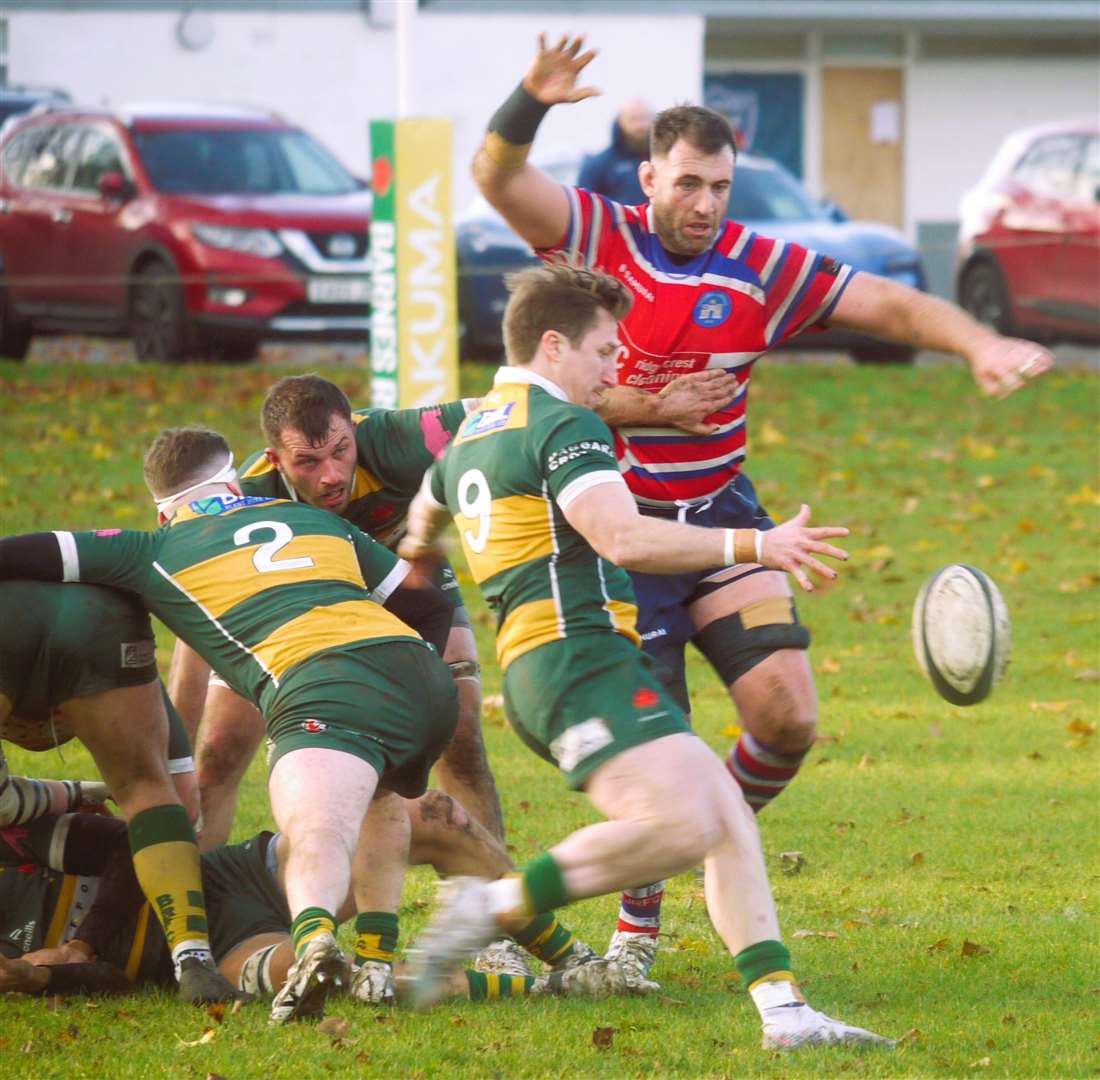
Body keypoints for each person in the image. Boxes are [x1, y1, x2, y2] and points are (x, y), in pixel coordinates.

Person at [470, 32, 1056, 974]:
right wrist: (530, 100)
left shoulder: (760, 267)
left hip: (721, 510)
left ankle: (715, 836)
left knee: (786, 717)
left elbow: (892, 306)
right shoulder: (593, 237)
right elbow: (497, 178)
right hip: (618, 535)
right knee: (662, 751)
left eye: (720, 188)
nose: (705, 204)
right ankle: (639, 924)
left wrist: (976, 344)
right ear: (651, 176)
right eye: (689, 183)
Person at [398, 262, 892, 1052]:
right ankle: (489, 907)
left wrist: (423, 590)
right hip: (573, 662)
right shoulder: (565, 426)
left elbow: (420, 529)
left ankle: (784, 1013)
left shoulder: (473, 435)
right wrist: (757, 542)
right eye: (602, 351)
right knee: (680, 824)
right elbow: (623, 537)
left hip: (562, 663)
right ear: (553, 345)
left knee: (724, 815)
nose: (613, 369)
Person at [0, 427, 460, 1025]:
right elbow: (428, 601)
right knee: (382, 799)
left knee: (316, 825)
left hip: (321, 688)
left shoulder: (152, 547)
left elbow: (23, 551)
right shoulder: (316, 521)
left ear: (164, 508)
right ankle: (380, 960)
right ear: (234, 483)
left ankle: (311, 942)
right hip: (425, 681)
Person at [168, 376, 504, 849]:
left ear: (353, 431)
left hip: (403, 585)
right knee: (219, 750)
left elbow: (513, 401)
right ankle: (197, 899)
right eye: (307, 461)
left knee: (461, 725)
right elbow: (194, 625)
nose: (331, 474)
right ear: (275, 459)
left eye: (341, 451)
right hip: (297, 609)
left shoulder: (392, 437)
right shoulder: (243, 497)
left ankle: (495, 896)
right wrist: (172, 763)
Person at [0, 804, 631, 1004]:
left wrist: (80, 938)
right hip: (210, 957)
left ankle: (580, 959)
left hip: (232, 877)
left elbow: (124, 837)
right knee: (335, 979)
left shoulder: (10, 843)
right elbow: (119, 980)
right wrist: (35, 977)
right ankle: (562, 990)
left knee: (436, 819)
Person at [0, 579, 236, 1003]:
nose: (58, 736)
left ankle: (193, 958)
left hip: (221, 881)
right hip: (107, 614)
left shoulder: (14, 840)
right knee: (154, 794)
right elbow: (174, 800)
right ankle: (193, 959)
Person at [576, 96, 652, 204]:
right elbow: (584, 206)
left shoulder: (662, 160)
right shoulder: (597, 166)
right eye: (633, 119)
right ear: (620, 122)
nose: (640, 126)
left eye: (643, 118)